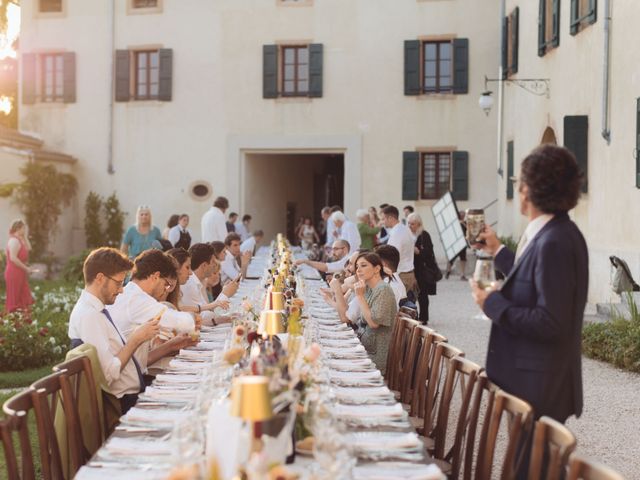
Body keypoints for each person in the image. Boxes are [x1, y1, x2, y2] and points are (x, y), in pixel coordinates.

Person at [470, 144, 588, 427]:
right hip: (534, 382)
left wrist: (492, 303)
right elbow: (534, 280)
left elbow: (551, 321)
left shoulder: (555, 241)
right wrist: (498, 250)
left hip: (541, 386)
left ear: (528, 190)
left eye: (520, 182)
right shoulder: (551, 232)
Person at [105, 249, 196, 369]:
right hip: (131, 381)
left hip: (133, 373)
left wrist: (171, 345)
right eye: (167, 284)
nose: (166, 290)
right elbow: (185, 322)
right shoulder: (137, 299)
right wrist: (195, 318)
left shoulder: (129, 294)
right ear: (156, 277)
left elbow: (140, 358)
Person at [330, 252, 397, 374]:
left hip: (372, 357)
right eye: (357, 267)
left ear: (377, 269)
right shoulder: (370, 288)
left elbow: (373, 323)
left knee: (329, 363)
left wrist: (360, 296)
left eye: (363, 265)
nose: (358, 270)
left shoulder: (384, 290)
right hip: (362, 348)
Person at [181, 243, 233, 326]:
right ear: (204, 265)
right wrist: (225, 294)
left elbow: (208, 309)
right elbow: (204, 317)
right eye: (212, 262)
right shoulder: (189, 284)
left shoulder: (199, 281)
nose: (215, 265)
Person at [407, 212, 438, 324]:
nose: (410, 226)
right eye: (409, 223)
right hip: (411, 268)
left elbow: (429, 252)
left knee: (422, 294)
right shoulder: (408, 235)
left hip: (422, 270)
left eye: (413, 224)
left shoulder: (424, 235)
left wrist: (419, 252)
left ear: (419, 224)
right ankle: (413, 316)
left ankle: (424, 317)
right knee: (411, 294)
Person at [381, 205, 416, 295]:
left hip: (401, 275)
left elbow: (391, 256)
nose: (382, 222)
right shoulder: (404, 229)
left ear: (391, 218)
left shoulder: (397, 233)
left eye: (383, 219)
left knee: (400, 306)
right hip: (408, 273)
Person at [4, 219, 34, 314]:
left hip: (20, 273)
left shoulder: (19, 240)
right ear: (18, 228)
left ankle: (21, 321)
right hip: (14, 273)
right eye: (23, 228)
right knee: (15, 297)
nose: (25, 230)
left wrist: (24, 237)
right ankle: (12, 321)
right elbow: (13, 258)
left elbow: (29, 248)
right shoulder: (14, 241)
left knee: (23, 295)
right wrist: (26, 268)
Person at [445, 211, 468, 280]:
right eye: (461, 214)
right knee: (451, 259)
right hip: (455, 244)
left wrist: (463, 223)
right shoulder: (454, 222)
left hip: (463, 243)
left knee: (463, 259)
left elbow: (469, 229)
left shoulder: (465, 222)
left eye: (464, 215)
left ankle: (462, 274)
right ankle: (448, 271)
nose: (463, 216)